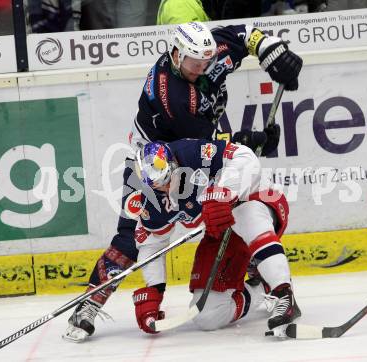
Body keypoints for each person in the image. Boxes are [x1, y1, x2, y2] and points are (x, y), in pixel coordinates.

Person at [63, 21, 302, 342]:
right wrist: (251, 140)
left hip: (181, 154)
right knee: (129, 236)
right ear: (176, 55)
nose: (200, 69)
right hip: (152, 163)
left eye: (205, 63)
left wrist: (271, 50)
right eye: (194, 64)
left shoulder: (204, 50)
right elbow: (205, 147)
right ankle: (90, 302)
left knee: (243, 200)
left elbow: (245, 35)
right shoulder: (173, 98)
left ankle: (265, 274)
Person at [131, 139, 300, 334]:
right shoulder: (151, 199)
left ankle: (283, 293)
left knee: (245, 212)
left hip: (259, 202)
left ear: (173, 164)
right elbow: (152, 243)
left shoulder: (193, 153)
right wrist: (154, 290)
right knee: (207, 316)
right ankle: (262, 288)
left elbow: (246, 156)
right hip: (222, 227)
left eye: (167, 181)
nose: (165, 189)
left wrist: (224, 192)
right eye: (158, 187)